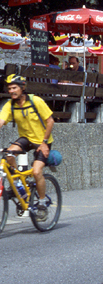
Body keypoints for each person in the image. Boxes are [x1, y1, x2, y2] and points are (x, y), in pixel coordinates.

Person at [0, 75, 54, 208]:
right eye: (9, 88)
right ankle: (18, 184)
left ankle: (41, 201)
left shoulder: (36, 101)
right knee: (9, 155)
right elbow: (0, 121)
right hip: (25, 139)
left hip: (42, 140)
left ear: (22, 88)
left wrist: (44, 143)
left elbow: (50, 121)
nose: (11, 91)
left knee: (36, 172)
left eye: (14, 88)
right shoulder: (9, 105)